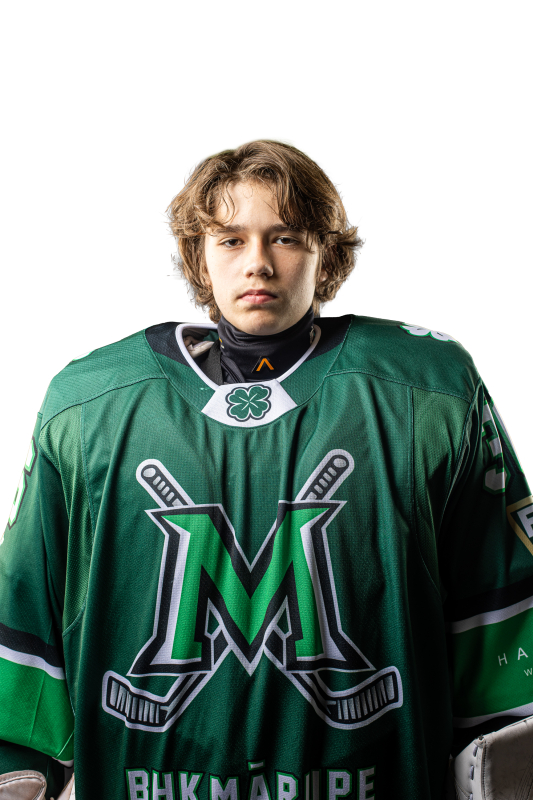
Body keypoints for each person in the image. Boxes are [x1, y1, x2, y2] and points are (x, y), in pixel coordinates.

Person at [1, 140, 532, 800]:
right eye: (230, 240)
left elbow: (499, 618)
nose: (257, 262)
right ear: (198, 255)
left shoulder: (427, 390)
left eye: (284, 237)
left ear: (324, 253)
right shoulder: (87, 404)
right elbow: (25, 612)